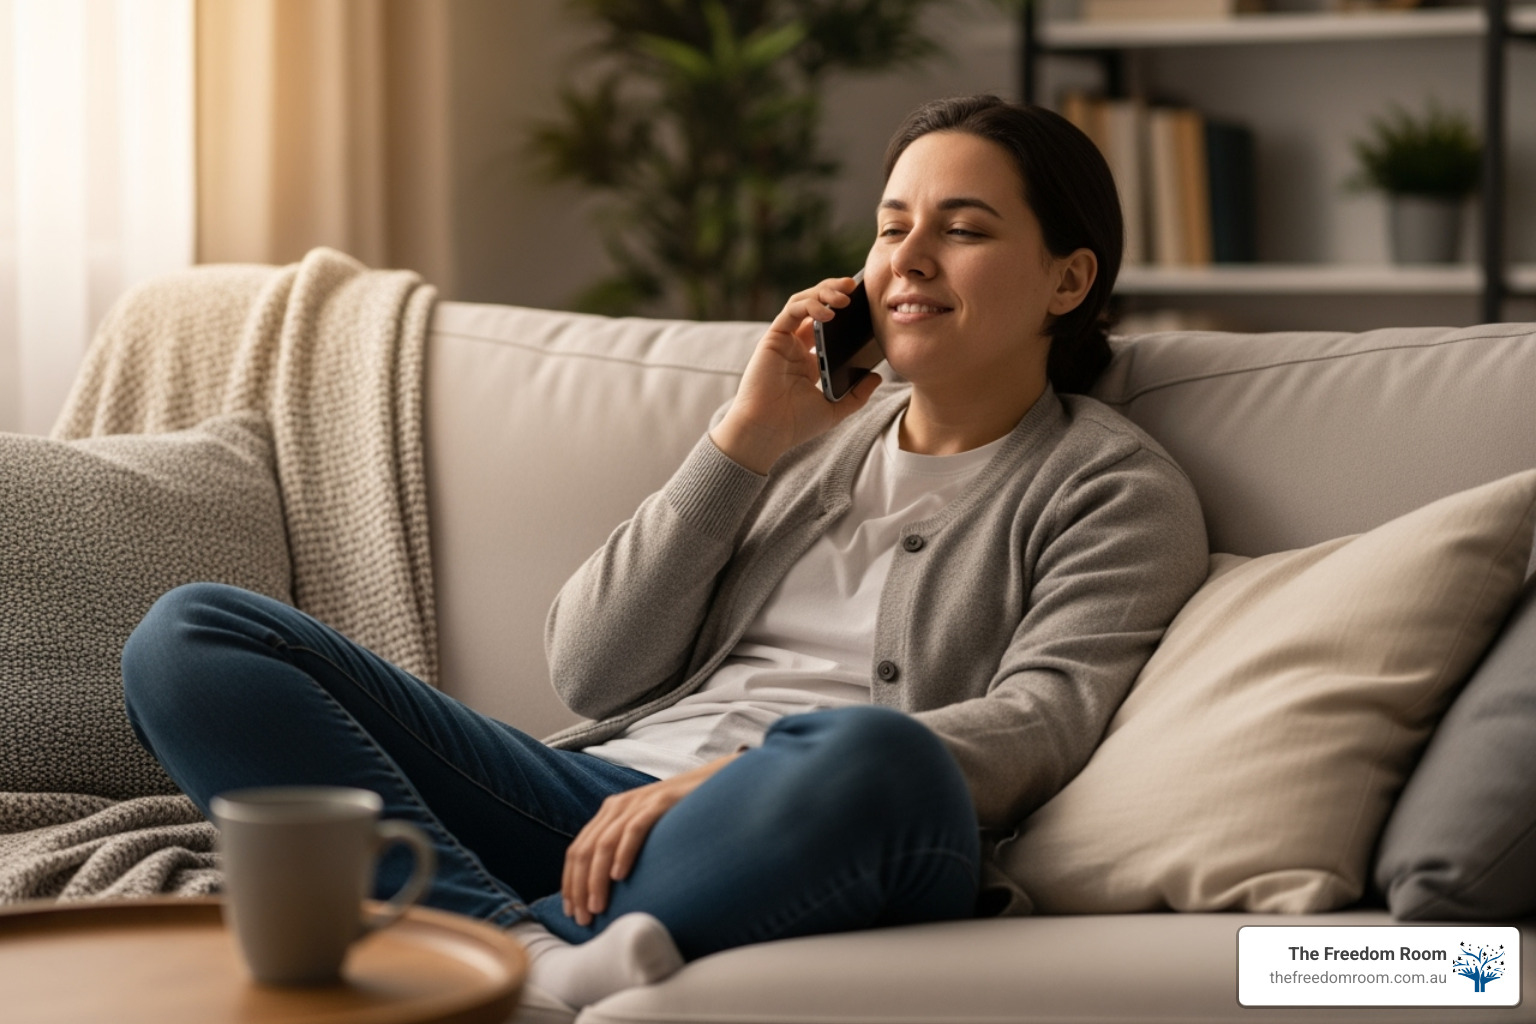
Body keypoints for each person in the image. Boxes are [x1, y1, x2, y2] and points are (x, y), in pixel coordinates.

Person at [121, 94, 1209, 1013]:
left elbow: (1038, 725)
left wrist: (726, 777)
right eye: (889, 228)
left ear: (1068, 281)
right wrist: (747, 438)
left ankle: (444, 937)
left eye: (961, 229)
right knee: (190, 635)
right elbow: (593, 672)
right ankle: (526, 954)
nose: (906, 261)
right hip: (592, 801)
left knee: (885, 756)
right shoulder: (810, 439)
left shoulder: (1112, 487)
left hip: (806, 816)